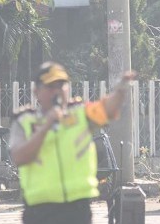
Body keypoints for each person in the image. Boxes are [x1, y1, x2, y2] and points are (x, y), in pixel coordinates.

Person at [9, 61, 135, 224]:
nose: (56, 91)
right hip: (39, 211)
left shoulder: (80, 114)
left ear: (68, 88)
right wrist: (46, 125)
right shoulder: (24, 121)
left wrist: (121, 90)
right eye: (50, 86)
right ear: (36, 91)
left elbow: (107, 110)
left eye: (61, 85)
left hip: (77, 209)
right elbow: (19, 157)